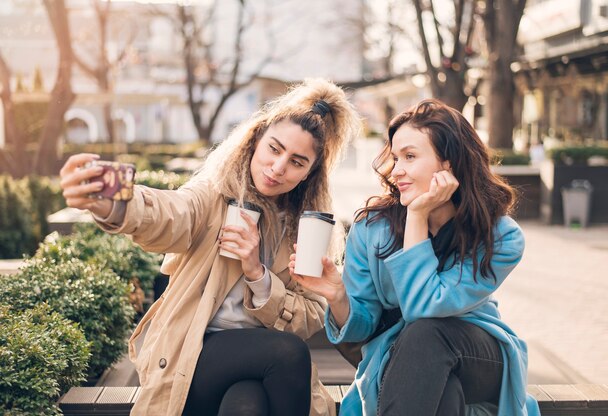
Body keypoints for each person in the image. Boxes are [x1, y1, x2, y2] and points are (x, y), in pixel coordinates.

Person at [59, 78, 361, 416]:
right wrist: (113, 204)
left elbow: (309, 317)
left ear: (309, 173)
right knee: (290, 353)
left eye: (297, 161)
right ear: (255, 141)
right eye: (274, 149)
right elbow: (170, 213)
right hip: (193, 355)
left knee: (247, 405)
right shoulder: (214, 194)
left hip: (261, 370)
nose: (278, 168)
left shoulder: (307, 228)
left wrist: (257, 275)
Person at [289, 99, 540, 416]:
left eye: (409, 156)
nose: (396, 170)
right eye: (395, 157)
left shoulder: (500, 236)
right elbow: (362, 328)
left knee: (426, 333)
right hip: (402, 362)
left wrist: (417, 215)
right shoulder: (371, 227)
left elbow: (425, 308)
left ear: (449, 163)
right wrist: (338, 296)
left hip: (480, 358)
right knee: (443, 394)